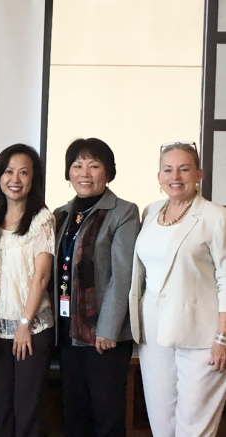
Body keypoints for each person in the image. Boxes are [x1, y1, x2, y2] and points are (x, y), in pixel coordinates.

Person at [129, 141, 226, 436]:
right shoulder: (150, 211)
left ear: (199, 174)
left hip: (202, 336)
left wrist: (223, 337)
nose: (176, 176)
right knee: (161, 424)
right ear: (158, 176)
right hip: (153, 332)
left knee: (193, 427)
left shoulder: (215, 215)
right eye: (168, 169)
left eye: (184, 169)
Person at [52, 138, 139, 437]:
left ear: (109, 172)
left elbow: (122, 275)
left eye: (94, 165)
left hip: (104, 337)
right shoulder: (60, 215)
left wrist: (108, 328)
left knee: (107, 416)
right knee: (74, 414)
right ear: (68, 173)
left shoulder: (123, 212)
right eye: (77, 165)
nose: (84, 172)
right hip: (67, 331)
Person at [0, 143, 54, 437]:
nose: (15, 179)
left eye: (23, 172)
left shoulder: (42, 219)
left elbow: (41, 277)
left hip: (31, 327)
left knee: (26, 409)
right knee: (2, 408)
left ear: (33, 179)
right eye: (8, 171)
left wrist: (25, 324)